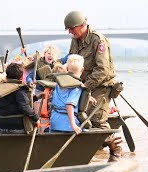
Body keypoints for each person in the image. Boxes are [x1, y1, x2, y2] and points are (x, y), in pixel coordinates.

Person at [63, 10, 122, 161]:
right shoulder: (75, 40)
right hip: (82, 86)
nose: (70, 32)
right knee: (79, 118)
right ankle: (92, 150)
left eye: (71, 28)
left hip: (100, 86)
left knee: (96, 120)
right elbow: (71, 60)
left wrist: (84, 87)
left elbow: (102, 70)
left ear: (82, 25)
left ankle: (115, 148)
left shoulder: (98, 40)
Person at [50, 54, 96, 134]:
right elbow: (69, 105)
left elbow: (62, 98)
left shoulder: (60, 82)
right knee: (86, 130)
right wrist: (73, 125)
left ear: (67, 69)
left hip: (54, 122)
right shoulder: (77, 87)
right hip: (68, 125)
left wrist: (87, 98)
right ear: (82, 70)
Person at [0, 63, 39, 134]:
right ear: (21, 77)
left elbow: (12, 101)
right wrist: (36, 119)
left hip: (2, 126)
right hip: (16, 127)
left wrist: (35, 98)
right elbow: (24, 106)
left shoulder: (1, 88)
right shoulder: (19, 90)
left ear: (7, 76)